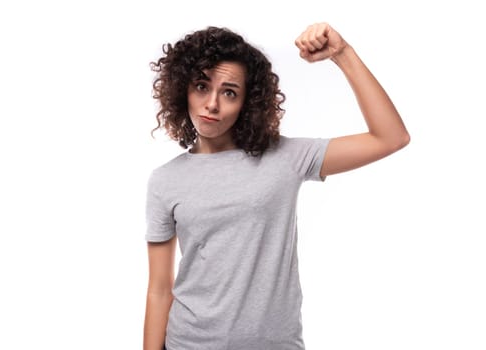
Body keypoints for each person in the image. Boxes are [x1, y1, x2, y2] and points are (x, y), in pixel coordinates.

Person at [143, 22, 409, 350]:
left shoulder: (287, 157)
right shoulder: (165, 180)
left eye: (229, 92)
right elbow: (158, 288)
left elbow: (391, 137)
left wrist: (342, 53)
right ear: (182, 88)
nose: (212, 104)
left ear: (247, 102)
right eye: (201, 86)